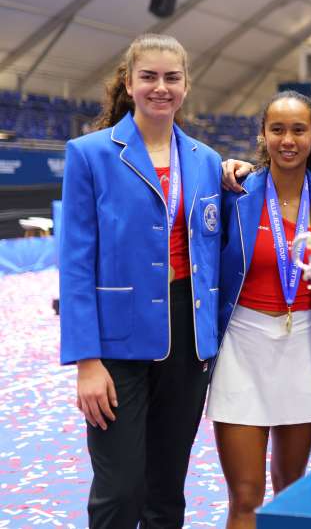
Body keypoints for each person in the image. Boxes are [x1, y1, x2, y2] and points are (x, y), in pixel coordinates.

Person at [59, 33, 222, 528]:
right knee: (119, 487)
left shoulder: (207, 161)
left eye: (172, 78)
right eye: (148, 77)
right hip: (116, 344)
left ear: (186, 85)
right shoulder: (89, 154)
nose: (161, 87)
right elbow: (76, 263)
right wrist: (87, 361)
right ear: (129, 83)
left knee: (167, 488)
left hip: (188, 338)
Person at [208, 91, 311, 528]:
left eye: (298, 129)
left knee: (290, 488)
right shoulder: (235, 192)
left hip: (303, 347)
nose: (288, 139)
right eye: (277, 129)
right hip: (243, 347)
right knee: (245, 496)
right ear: (262, 134)